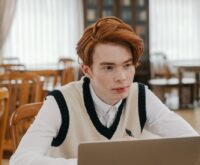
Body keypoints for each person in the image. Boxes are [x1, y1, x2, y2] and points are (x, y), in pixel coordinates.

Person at [10, 17, 198, 165]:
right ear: (87, 70)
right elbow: (21, 161)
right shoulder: (60, 102)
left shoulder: (140, 96)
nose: (122, 77)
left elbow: (192, 143)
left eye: (127, 65)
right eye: (109, 67)